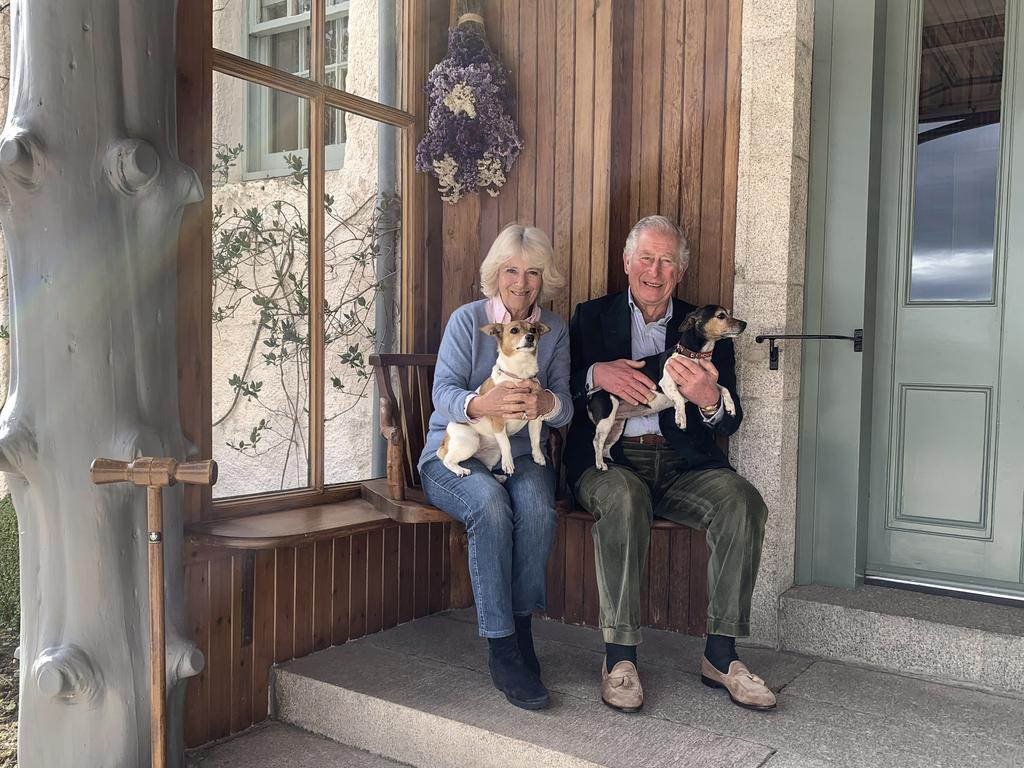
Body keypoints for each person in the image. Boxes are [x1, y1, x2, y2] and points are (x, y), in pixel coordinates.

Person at [566, 215, 774, 712]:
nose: (654, 271)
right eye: (645, 258)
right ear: (626, 263)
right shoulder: (590, 317)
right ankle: (619, 658)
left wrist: (707, 398)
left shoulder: (706, 327)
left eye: (666, 262)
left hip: (685, 467)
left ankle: (721, 656)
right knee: (623, 496)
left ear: (679, 272)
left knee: (743, 503)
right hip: (612, 462)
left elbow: (729, 421)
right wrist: (597, 372)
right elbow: (560, 389)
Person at [418, 223, 572, 710]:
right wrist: (482, 402)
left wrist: (546, 401)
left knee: (535, 505)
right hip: (455, 450)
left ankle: (522, 629)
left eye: (532, 272)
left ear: (544, 277)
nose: (521, 283)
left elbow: (567, 407)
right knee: (489, 505)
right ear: (495, 274)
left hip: (520, 454)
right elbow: (442, 393)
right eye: (511, 270)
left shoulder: (556, 331)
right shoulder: (467, 322)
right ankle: (503, 647)